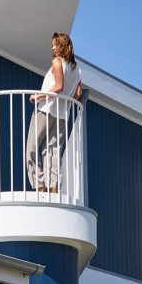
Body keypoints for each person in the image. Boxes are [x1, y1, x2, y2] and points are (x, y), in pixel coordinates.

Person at [26, 32, 83, 193]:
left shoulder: (57, 62)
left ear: (62, 46)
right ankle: (53, 187)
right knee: (53, 151)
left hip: (46, 109)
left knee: (31, 147)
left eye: (55, 45)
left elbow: (59, 86)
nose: (52, 48)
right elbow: (78, 93)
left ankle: (39, 185)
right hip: (63, 114)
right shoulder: (76, 68)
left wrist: (38, 96)